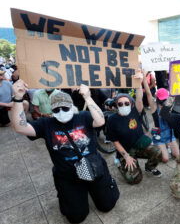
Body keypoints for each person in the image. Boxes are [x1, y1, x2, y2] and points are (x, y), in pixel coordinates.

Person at [10, 80, 119, 223]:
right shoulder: (46, 124)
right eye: (56, 109)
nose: (61, 112)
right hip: (68, 175)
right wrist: (17, 98)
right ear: (51, 110)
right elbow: (20, 127)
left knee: (107, 205)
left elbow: (100, 121)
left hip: (94, 168)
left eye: (65, 108)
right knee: (76, 217)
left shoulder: (83, 117)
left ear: (71, 106)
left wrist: (87, 97)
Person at [107, 71, 163, 184]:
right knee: (135, 180)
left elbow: (139, 98)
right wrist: (126, 156)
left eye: (126, 103)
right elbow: (115, 141)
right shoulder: (112, 119)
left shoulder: (135, 111)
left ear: (131, 104)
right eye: (120, 104)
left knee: (157, 152)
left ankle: (149, 167)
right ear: (116, 106)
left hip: (138, 146)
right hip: (125, 151)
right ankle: (120, 161)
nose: (124, 105)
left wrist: (138, 82)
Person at [150, 88, 180, 162]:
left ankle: (166, 147)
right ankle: (157, 146)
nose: (164, 101)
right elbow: (148, 94)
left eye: (165, 99)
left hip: (169, 135)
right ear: (157, 99)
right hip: (159, 136)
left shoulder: (169, 105)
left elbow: (175, 92)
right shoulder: (154, 107)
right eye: (162, 100)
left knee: (177, 155)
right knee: (165, 159)